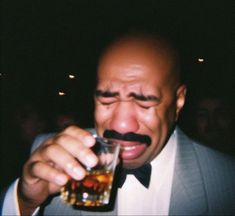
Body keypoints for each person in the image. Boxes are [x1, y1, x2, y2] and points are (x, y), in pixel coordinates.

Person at [1, 32, 235, 215]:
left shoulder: (227, 182)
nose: (122, 126)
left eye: (145, 102)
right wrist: (24, 202)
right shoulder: (52, 160)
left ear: (178, 101)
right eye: (107, 98)